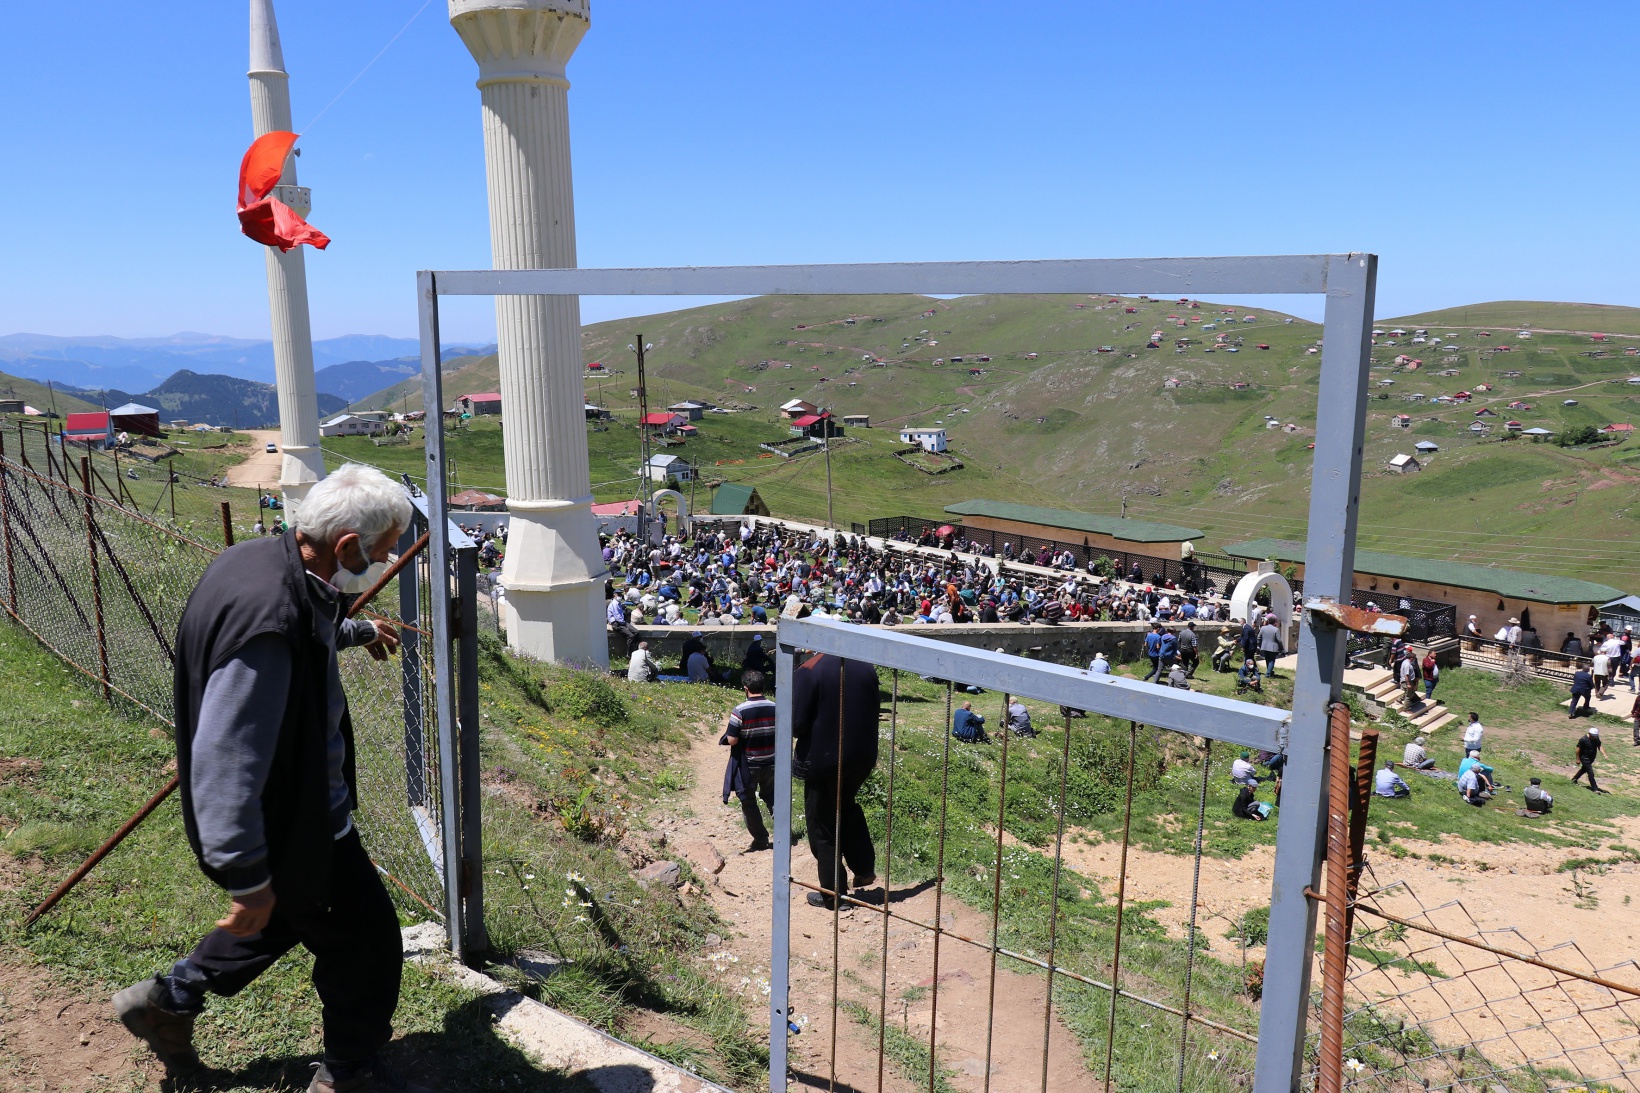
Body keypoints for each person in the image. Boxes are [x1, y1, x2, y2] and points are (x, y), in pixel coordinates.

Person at [114, 465, 426, 1093]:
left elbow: (303, 625)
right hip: (295, 821)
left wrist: (358, 630)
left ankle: (170, 999)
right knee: (365, 944)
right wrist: (247, 873)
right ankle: (348, 1074)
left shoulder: (259, 564)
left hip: (287, 817)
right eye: (385, 547)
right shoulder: (269, 622)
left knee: (292, 912)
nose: (387, 558)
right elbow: (226, 761)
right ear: (347, 545)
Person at [791, 653, 881, 909]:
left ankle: (833, 895)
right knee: (846, 805)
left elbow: (797, 723)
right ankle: (864, 866)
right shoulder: (865, 665)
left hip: (824, 759)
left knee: (822, 826)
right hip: (862, 757)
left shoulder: (810, 669)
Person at [722, 671, 777, 852]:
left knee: (748, 801)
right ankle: (783, 835)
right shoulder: (776, 707)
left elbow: (732, 740)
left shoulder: (740, 710)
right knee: (773, 797)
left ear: (745, 688)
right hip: (773, 762)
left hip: (750, 764)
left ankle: (761, 839)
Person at [1572, 727, 1603, 793]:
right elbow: (1578, 749)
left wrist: (1604, 754)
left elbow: (1599, 746)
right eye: (1593, 736)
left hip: (1591, 758)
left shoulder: (1596, 738)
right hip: (1584, 758)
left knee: (1583, 769)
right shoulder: (1583, 739)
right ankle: (1595, 788)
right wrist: (1577, 759)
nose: (1594, 737)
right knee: (1590, 773)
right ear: (1589, 733)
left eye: (1595, 736)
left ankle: (1574, 780)